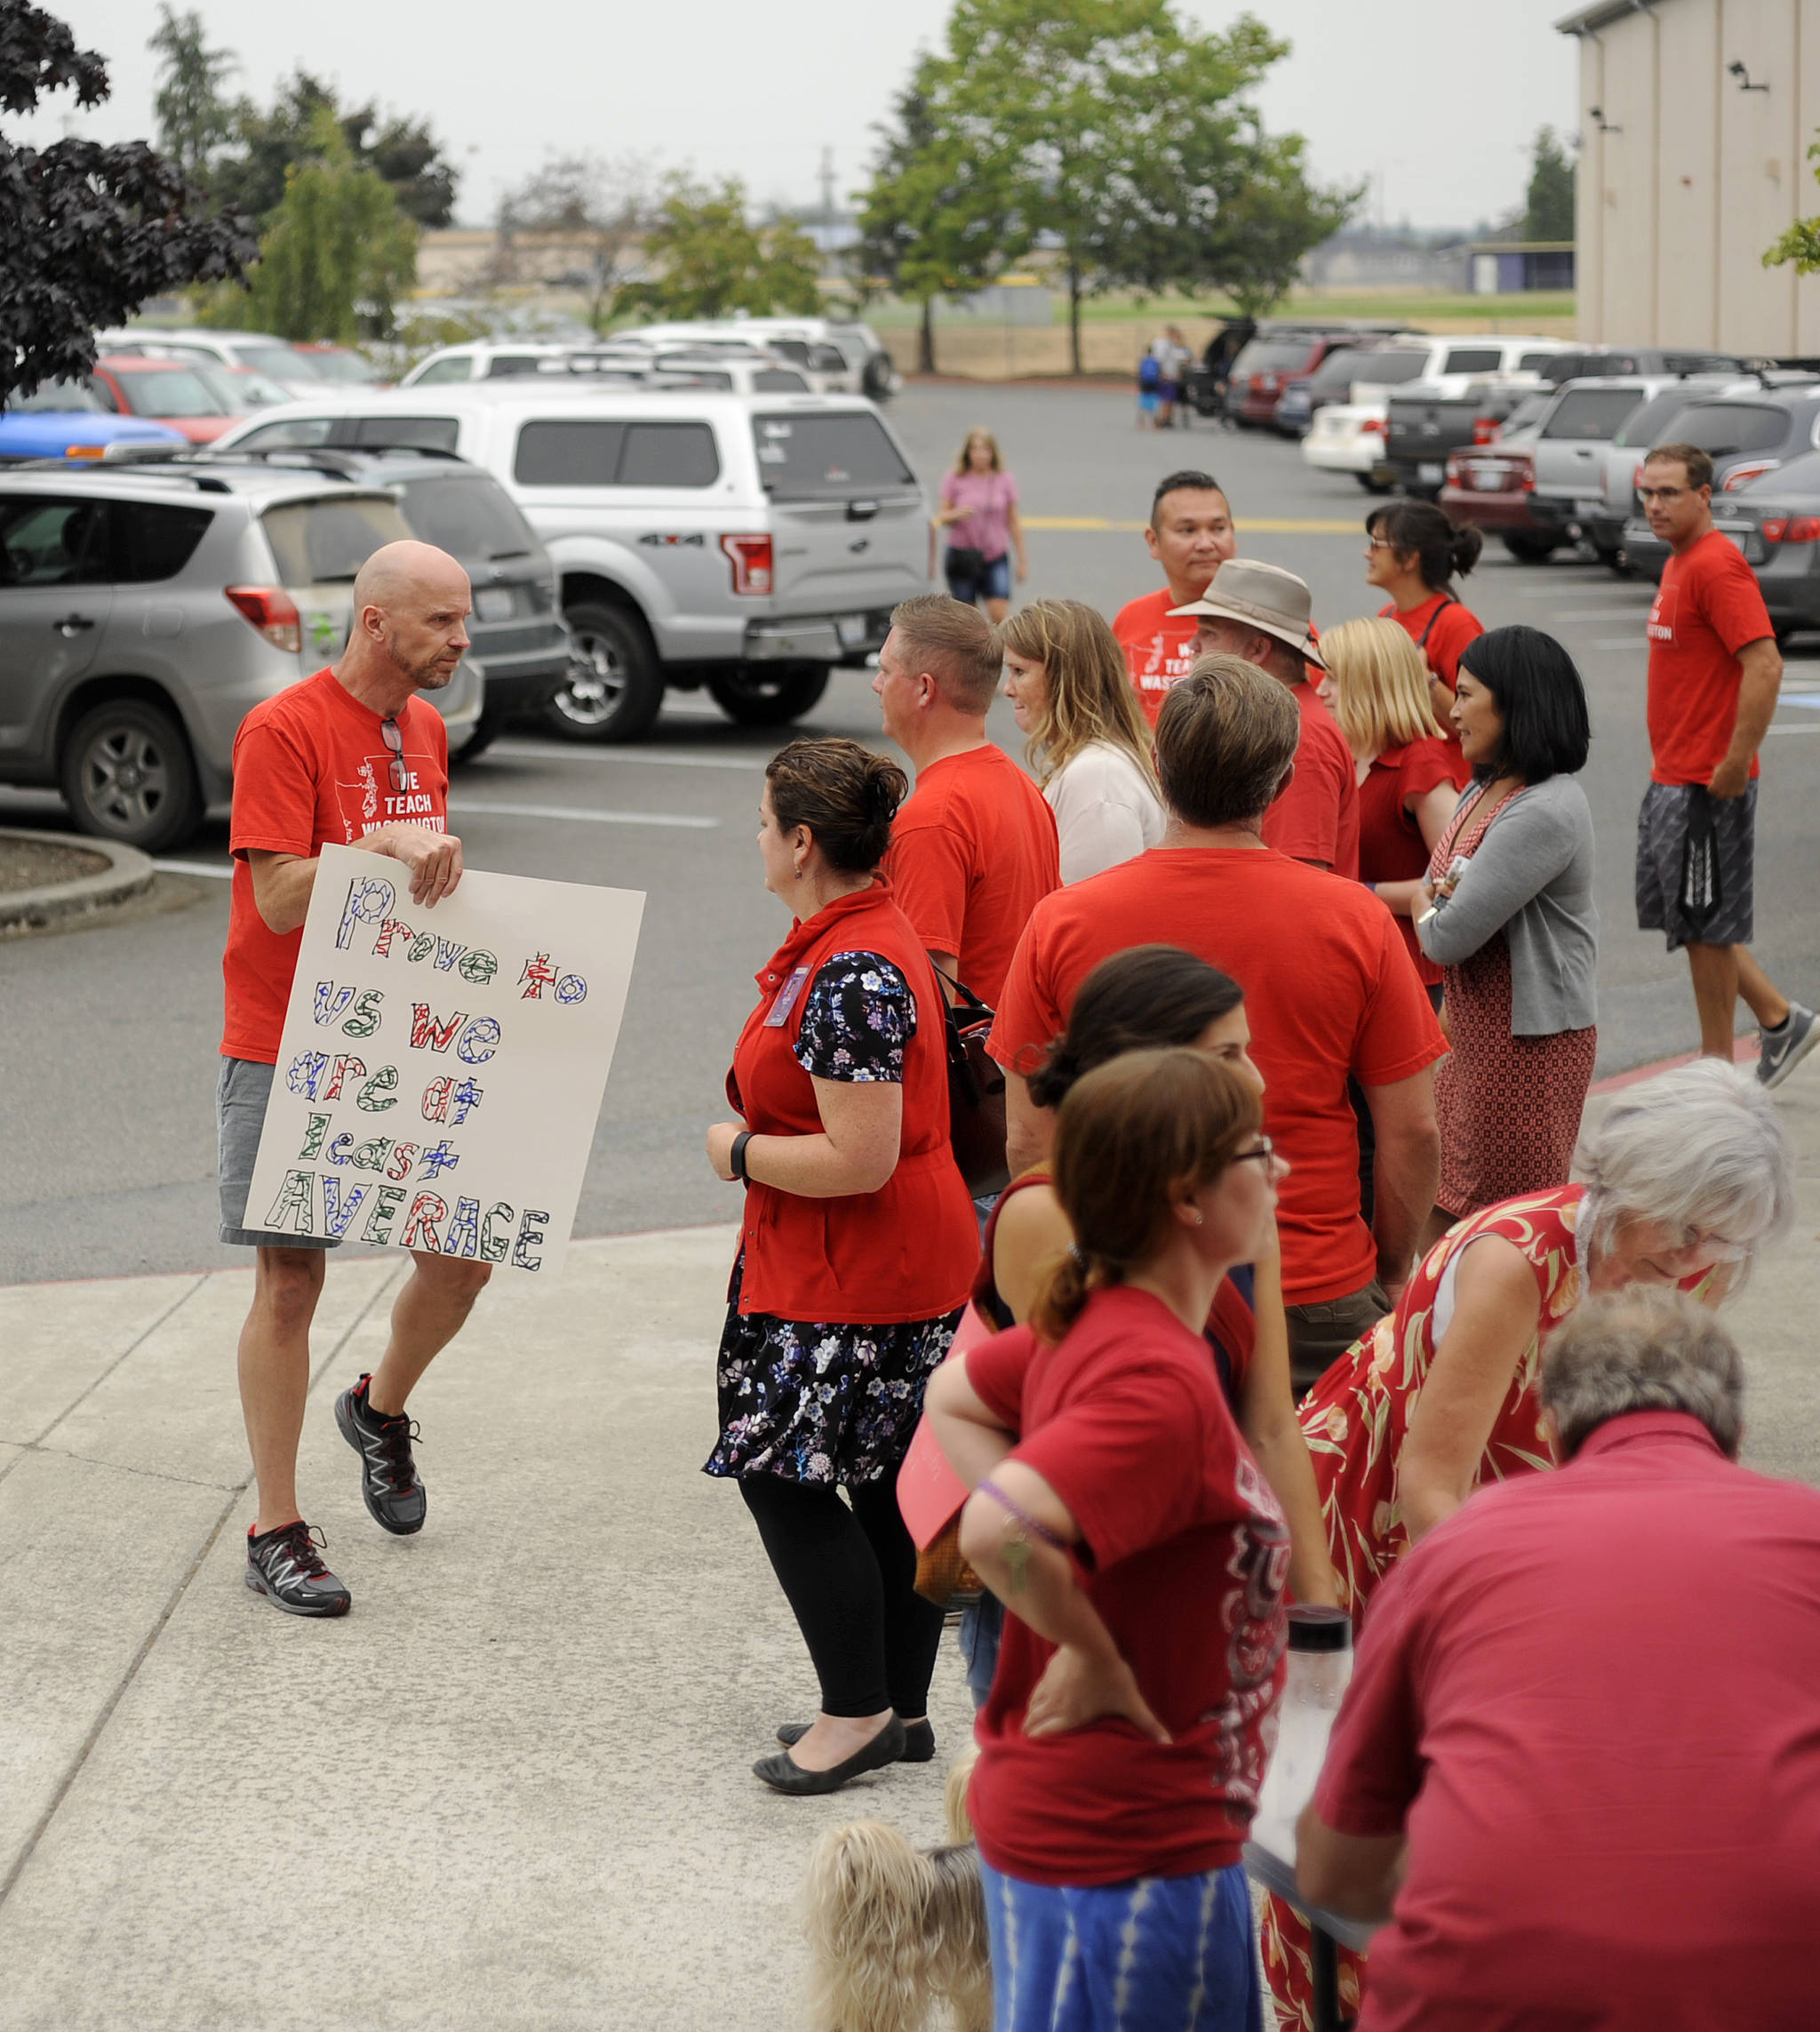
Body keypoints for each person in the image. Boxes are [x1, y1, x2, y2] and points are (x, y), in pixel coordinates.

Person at [1263, 1059, 1796, 2027]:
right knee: (1370, 1772)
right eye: (1680, 1227)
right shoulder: (1515, 1262)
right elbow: (1429, 1482)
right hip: (1379, 1506)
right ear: (1626, 1182)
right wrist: (1514, 1618)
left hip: (1525, 1506)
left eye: (1719, 1238)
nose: (1693, 1261)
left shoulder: (1698, 1260)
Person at [1297, 1287, 1820, 2030]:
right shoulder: (1806, 1533)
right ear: (1733, 1429)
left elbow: (1335, 1871)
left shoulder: (1460, 1549)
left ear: (1550, 1427)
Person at [925, 1049, 1291, 2032]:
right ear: (1185, 1198)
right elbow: (995, 1526)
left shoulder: (1105, 1320)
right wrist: (1087, 1646)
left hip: (1104, 1834)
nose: (1281, 1170)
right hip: (1125, 1855)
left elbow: (952, 1395)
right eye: (1256, 1154)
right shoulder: (1156, 1381)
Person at [990, 657, 1445, 1398]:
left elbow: (1029, 1139)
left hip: (1135, 1282)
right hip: (1314, 1283)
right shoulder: (1355, 919)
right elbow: (1413, 1130)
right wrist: (1390, 1268)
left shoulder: (1062, 922)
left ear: (1159, 767)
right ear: (1282, 781)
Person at [955, 945, 1340, 1708]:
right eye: (1227, 1056)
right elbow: (1048, 1447)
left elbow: (1269, 1424)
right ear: (1146, 1071)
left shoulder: (1240, 1205)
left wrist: (1319, 1615)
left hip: (1205, 1584)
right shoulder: (1047, 1214)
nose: (1257, 1081)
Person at [221, 540, 492, 1619]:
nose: (461, 639)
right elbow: (277, 898)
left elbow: (419, 887)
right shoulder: (281, 729)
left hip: (400, 1033)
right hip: (286, 1038)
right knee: (291, 1284)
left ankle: (377, 1411)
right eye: (441, 621)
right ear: (375, 623)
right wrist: (379, 845)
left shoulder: (425, 729)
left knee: (464, 1260)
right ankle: (276, 1528)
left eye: (462, 618)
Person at [702, 737, 978, 1796]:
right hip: (882, 1260)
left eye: (763, 822)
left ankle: (855, 1713)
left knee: (782, 1476)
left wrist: (736, 1152)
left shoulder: (852, 966)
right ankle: (897, 1708)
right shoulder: (858, 935)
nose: (756, 838)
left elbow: (858, 1157)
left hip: (854, 1270)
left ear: (803, 843)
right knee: (887, 1481)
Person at [1635, 440, 1818, 1084]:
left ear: (1704, 496)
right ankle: (1780, 1022)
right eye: (1647, 492)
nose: (1655, 505)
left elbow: (1765, 664)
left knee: (1707, 925)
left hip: (1705, 783)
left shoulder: (1716, 565)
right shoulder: (1679, 561)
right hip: (1673, 774)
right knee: (1694, 920)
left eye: (1669, 493)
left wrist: (1735, 762)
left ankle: (1716, 1073)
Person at [1416, 627, 1597, 1245]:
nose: (1453, 711)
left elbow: (1446, 936)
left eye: (1467, 695)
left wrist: (1427, 905)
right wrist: (1432, 902)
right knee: (1445, 1199)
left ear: (1517, 704)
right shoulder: (1485, 785)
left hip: (1525, 1051)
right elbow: (1436, 887)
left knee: (1508, 1228)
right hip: (1474, 1035)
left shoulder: (1545, 809)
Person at [874, 595, 1059, 1009]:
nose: (876, 684)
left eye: (886, 671)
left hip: (974, 1051)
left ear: (924, 689)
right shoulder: (1021, 787)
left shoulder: (934, 818)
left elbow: (928, 1001)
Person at [1177, 557, 1361, 877]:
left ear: (1258, 649)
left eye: (1209, 632)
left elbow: (1298, 879)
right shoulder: (1285, 722)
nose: (1193, 645)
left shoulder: (1301, 738)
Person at [1317, 616, 1467, 1000]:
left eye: (1333, 679)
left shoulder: (1419, 761)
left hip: (1412, 973)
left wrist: (1364, 892)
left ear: (1370, 685)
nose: (1321, 690)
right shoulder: (1349, 754)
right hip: (1359, 958)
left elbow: (1459, 877)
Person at [1000, 598, 1165, 883]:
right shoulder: (1097, 765)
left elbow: (1095, 904)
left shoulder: (1098, 777)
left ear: (1063, 678)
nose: (1007, 689)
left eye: (1019, 672)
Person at [1111, 469, 1238, 725]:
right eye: (1188, 530)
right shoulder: (1131, 619)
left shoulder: (1273, 622)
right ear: (1153, 541)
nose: (1206, 544)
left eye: (1218, 528)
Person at [1363, 499, 1485, 721]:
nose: (1367, 553)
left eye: (1376, 544)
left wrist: (1424, 679)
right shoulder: (1387, 615)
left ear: (1410, 558)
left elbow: (1480, 719)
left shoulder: (1456, 623)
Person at [930, 427, 1026, 624]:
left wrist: (1022, 560)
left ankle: (1000, 644)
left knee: (999, 613)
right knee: (968, 619)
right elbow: (942, 517)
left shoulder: (1004, 479)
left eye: (985, 449)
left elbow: (1013, 521)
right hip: (963, 555)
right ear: (968, 453)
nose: (980, 454)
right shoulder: (954, 478)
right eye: (975, 449)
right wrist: (957, 514)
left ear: (993, 453)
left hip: (995, 555)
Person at [1153, 324, 1192, 429]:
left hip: (1172, 377)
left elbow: (1181, 359)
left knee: (1170, 399)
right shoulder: (1163, 344)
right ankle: (1163, 418)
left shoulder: (1172, 345)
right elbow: (1159, 361)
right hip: (1167, 377)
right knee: (1166, 399)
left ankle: (1167, 418)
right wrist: (1163, 374)